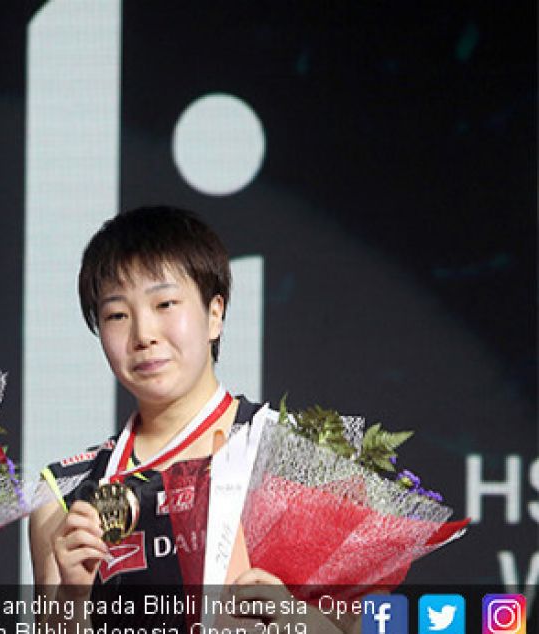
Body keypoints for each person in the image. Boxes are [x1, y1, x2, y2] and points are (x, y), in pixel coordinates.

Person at [28, 206, 355, 632]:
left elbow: (363, 624)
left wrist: (297, 619)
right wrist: (71, 603)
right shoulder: (64, 497)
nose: (143, 334)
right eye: (116, 315)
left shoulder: (290, 455)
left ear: (214, 314)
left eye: (165, 303)